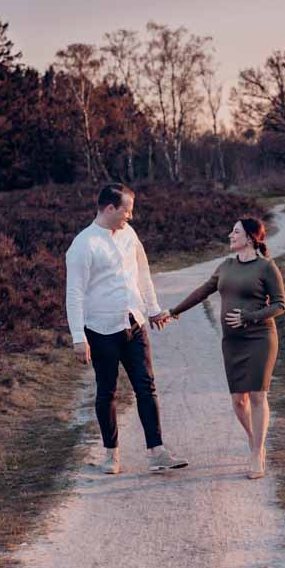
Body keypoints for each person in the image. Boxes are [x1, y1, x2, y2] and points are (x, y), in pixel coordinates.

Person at [65, 183, 188, 475]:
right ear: (110, 208)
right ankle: (111, 455)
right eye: (127, 211)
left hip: (134, 323)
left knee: (146, 387)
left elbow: (143, 273)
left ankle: (157, 452)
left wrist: (154, 308)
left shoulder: (129, 235)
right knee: (107, 392)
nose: (130, 217)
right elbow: (75, 293)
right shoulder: (83, 245)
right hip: (101, 329)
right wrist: (78, 337)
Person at [168, 218, 285, 478]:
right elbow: (202, 291)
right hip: (232, 342)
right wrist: (173, 311)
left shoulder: (267, 267)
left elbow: (279, 305)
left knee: (257, 396)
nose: (230, 235)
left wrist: (249, 317)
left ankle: (256, 453)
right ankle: (254, 438)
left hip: (259, 338)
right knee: (238, 400)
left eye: (236, 231)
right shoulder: (226, 265)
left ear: (251, 238)